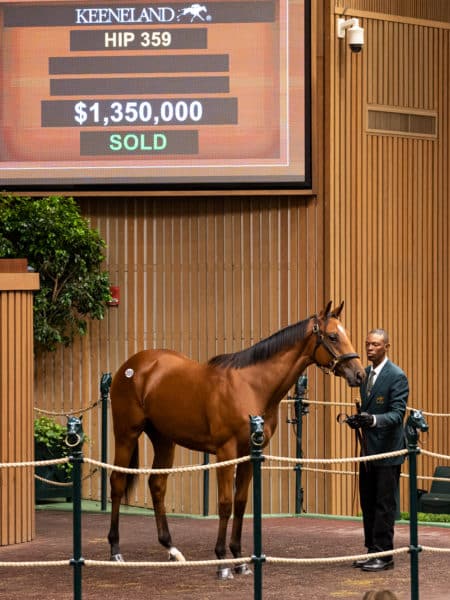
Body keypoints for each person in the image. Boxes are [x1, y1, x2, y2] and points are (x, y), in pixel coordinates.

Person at [346, 329, 409, 572]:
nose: (370, 348)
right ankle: (372, 550)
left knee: (384, 504)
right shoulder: (367, 374)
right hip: (368, 451)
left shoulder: (397, 376)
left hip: (387, 451)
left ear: (386, 347)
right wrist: (359, 420)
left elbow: (396, 415)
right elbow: (370, 410)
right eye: (368, 344)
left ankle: (385, 555)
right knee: (368, 502)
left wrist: (371, 420)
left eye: (375, 345)